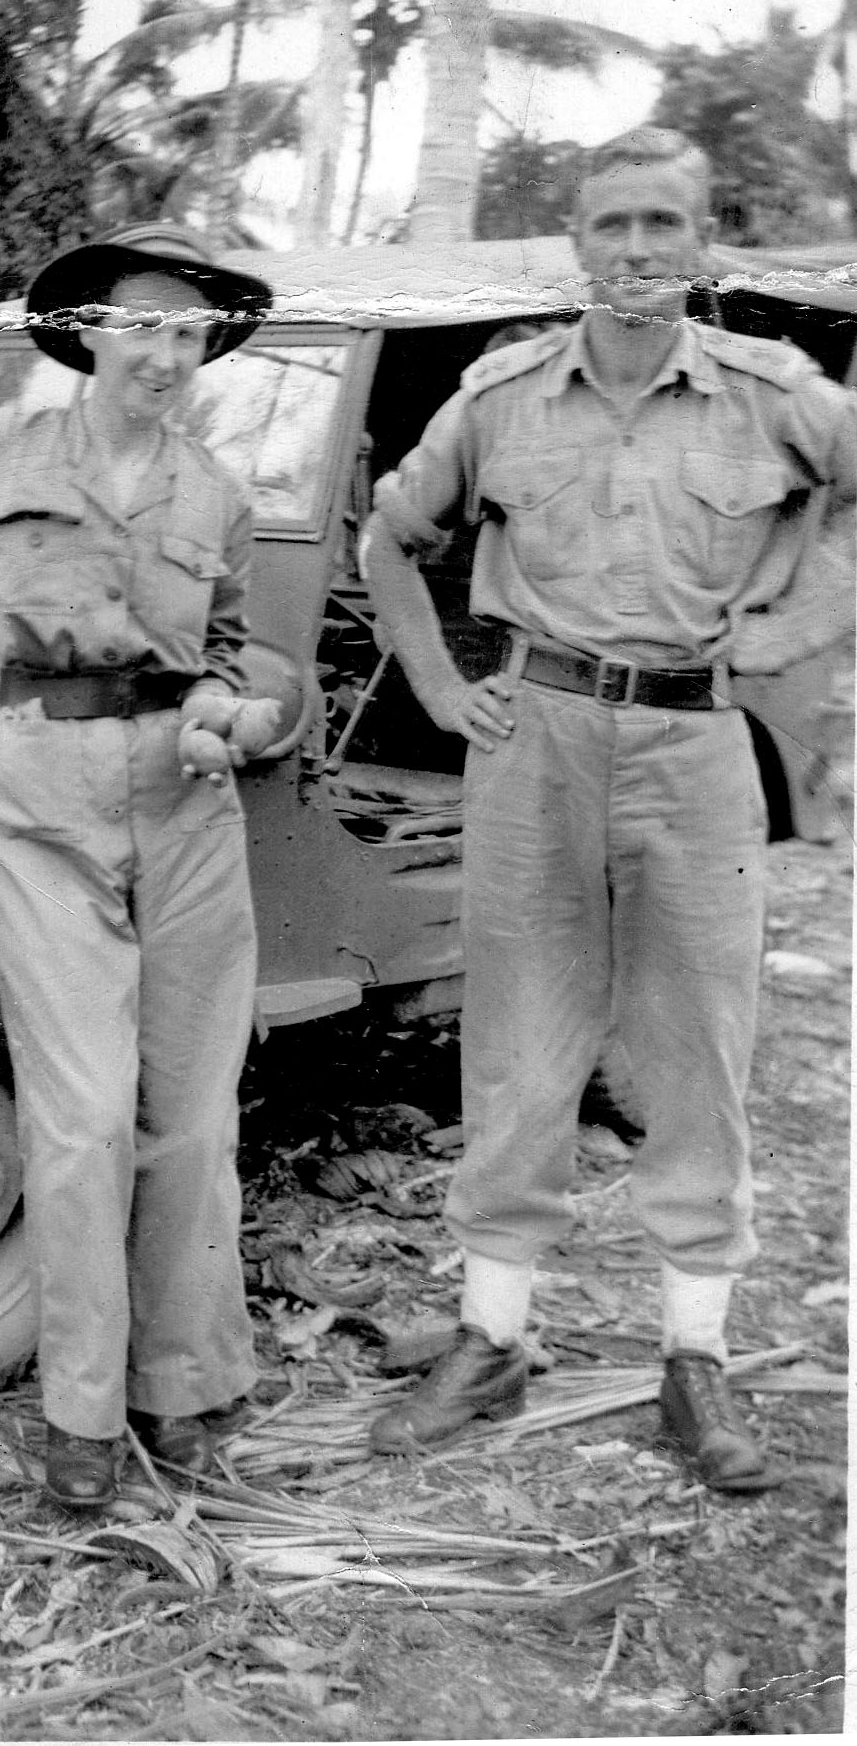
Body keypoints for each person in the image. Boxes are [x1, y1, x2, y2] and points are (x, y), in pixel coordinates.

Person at [362, 127, 855, 1491]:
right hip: (534, 738)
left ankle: (692, 1363)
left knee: (697, 1039)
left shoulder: (772, 394)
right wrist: (437, 686)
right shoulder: (502, 394)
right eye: (611, 225)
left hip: (696, 742)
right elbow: (390, 539)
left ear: (699, 245)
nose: (636, 249)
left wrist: (802, 618)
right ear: (575, 243)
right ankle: (492, 1336)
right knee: (520, 1036)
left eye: (662, 223)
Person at [0, 226, 278, 1509]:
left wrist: (223, 705)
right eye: (145, 327)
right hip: (38, 799)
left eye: (192, 334)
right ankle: (85, 1416)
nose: (170, 354)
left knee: (193, 1116)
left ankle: (183, 1385)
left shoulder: (218, 493)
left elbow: (237, 647)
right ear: (89, 331)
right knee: (81, 1119)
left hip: (189, 805)